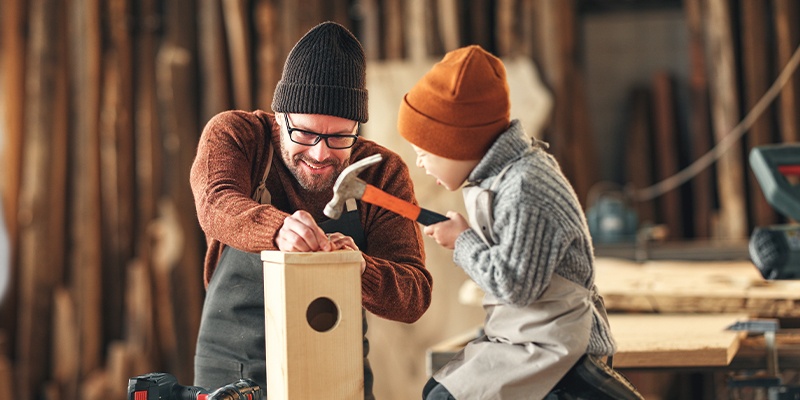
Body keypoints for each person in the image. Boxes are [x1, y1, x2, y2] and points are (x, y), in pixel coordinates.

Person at [189, 21, 433, 399]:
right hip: (234, 371)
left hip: (337, 372)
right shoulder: (237, 136)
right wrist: (279, 230)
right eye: (304, 133)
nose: (320, 154)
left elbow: (413, 294)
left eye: (339, 137)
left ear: (357, 127)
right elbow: (215, 202)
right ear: (280, 116)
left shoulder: (381, 173)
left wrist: (358, 268)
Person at [397, 45, 643, 399]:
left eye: (425, 153)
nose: (420, 163)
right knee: (436, 388)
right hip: (526, 334)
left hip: (559, 345)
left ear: (459, 143)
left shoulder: (525, 185)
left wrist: (464, 241)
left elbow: (514, 285)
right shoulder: (501, 176)